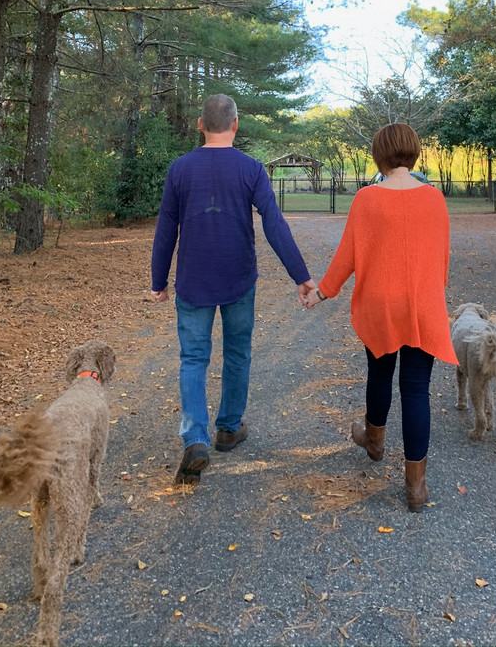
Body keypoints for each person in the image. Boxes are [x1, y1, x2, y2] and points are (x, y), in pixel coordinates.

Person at [150, 94, 316, 484]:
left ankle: (195, 439)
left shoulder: (180, 169)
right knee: (237, 353)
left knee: (193, 359)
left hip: (193, 281)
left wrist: (159, 281)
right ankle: (228, 428)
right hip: (239, 279)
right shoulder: (251, 169)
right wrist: (301, 276)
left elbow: (165, 228)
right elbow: (274, 224)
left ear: (200, 125)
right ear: (235, 125)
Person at [305, 122, 456, 511]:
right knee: (416, 389)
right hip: (422, 305)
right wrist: (427, 291)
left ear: (379, 155)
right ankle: (416, 488)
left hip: (381, 304)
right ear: (413, 153)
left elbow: (348, 255)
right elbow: (442, 260)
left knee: (380, 373)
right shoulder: (435, 199)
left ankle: (374, 442)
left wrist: (322, 292)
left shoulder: (366, 199)